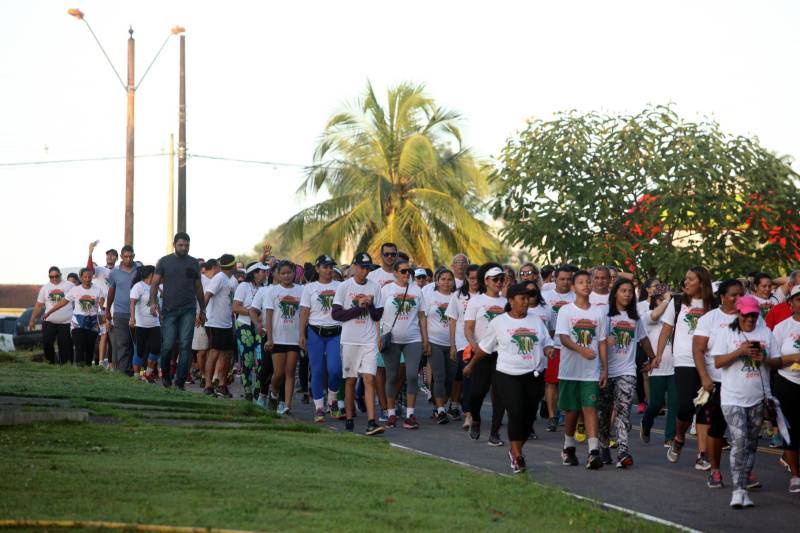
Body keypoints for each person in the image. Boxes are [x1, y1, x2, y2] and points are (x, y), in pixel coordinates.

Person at [467, 283, 554, 474]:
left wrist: (548, 349)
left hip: (534, 374)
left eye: (528, 298)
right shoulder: (499, 322)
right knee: (515, 412)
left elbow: (547, 341)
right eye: (522, 298)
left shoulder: (536, 320)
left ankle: (515, 449)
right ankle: (517, 456)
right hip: (508, 374)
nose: (526, 302)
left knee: (529, 417)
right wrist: (471, 365)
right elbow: (485, 347)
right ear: (511, 301)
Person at [711, 295, 781, 508]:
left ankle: (743, 485)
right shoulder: (726, 333)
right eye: (746, 315)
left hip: (758, 397)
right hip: (732, 398)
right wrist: (740, 351)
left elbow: (777, 362)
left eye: (753, 315)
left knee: (751, 445)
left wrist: (764, 359)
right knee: (739, 442)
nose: (750, 319)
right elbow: (718, 362)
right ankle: (738, 490)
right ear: (738, 313)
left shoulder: (766, 333)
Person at [657, 266, 717, 469]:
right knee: (686, 406)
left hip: (709, 361)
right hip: (684, 360)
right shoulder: (677, 302)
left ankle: (702, 454)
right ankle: (679, 437)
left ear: (702, 282)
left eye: (691, 279)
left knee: (704, 407)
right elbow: (666, 330)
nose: (686, 282)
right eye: (686, 278)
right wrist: (657, 355)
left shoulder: (713, 304)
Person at [693, 279, 747, 488]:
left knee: (744, 431)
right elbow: (698, 350)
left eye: (741, 294)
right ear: (722, 296)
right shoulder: (710, 319)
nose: (737, 298)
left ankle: (745, 470)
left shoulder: (750, 318)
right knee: (717, 428)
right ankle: (715, 470)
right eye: (733, 294)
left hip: (744, 382)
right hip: (718, 381)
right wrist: (705, 377)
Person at [556, 269, 608, 470]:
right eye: (581, 282)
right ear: (573, 287)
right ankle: (568, 447)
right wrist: (581, 350)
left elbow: (602, 341)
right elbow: (563, 337)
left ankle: (593, 451)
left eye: (588, 281)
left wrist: (604, 368)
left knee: (590, 407)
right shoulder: (566, 311)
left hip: (591, 370)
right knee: (572, 410)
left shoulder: (599, 312)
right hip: (570, 369)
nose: (586, 285)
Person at [600, 279, 654, 468]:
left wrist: (653, 357)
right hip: (606, 370)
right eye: (623, 291)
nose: (627, 294)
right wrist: (605, 341)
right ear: (615, 293)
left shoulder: (634, 318)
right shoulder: (605, 315)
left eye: (630, 291)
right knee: (606, 412)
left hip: (627, 370)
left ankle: (623, 452)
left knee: (623, 410)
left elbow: (643, 339)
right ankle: (603, 446)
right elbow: (597, 341)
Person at [331, 252, 385, 435]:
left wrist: (369, 305)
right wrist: (358, 307)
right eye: (362, 268)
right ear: (354, 266)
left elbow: (378, 315)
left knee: (369, 378)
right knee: (351, 380)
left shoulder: (375, 287)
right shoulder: (344, 287)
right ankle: (348, 417)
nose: (364, 272)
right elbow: (337, 315)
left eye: (368, 268)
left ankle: (371, 421)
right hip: (350, 340)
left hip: (368, 339)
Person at [150, 232, 206, 390]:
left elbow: (198, 287)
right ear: (174, 245)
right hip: (169, 310)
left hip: (188, 309)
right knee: (168, 345)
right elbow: (154, 284)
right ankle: (166, 374)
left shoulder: (194, 262)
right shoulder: (164, 261)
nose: (184, 248)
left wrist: (203, 309)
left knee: (186, 345)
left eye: (187, 245)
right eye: (181, 245)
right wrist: (153, 303)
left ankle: (180, 382)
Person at [380, 258, 429, 429]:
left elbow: (422, 317)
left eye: (409, 271)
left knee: (412, 375)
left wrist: (425, 339)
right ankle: (391, 413)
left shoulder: (417, 290)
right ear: (395, 273)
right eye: (403, 271)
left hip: (413, 339)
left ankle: (410, 414)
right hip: (391, 339)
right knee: (392, 376)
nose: (407, 274)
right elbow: (378, 314)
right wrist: (378, 337)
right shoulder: (386, 290)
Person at [464, 264, 508, 445]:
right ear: (486, 281)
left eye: (501, 279)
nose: (499, 282)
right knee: (477, 393)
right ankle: (475, 419)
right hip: (481, 353)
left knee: (500, 394)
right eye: (496, 279)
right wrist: (474, 346)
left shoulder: (506, 302)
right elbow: (468, 328)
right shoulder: (476, 301)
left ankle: (495, 433)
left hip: (501, 354)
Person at [299, 254, 344, 422]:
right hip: (315, 331)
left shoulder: (341, 286)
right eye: (325, 267)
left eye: (331, 267)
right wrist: (301, 335)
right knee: (316, 370)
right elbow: (304, 312)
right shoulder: (309, 288)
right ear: (317, 269)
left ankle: (332, 400)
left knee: (335, 369)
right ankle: (318, 407)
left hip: (336, 332)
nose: (329, 270)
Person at [259, 260, 304, 414]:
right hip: (277, 338)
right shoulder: (272, 291)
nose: (286, 276)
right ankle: (274, 392)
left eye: (289, 272)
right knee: (278, 373)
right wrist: (269, 338)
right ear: (277, 274)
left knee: (290, 372)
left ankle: (286, 405)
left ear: (294, 273)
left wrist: (303, 336)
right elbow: (269, 316)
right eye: (283, 273)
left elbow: (304, 314)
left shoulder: (301, 290)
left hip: (294, 338)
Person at [639, 280, 678, 448]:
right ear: (656, 301)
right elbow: (655, 315)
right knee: (656, 403)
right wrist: (667, 300)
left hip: (675, 366)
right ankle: (646, 423)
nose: (667, 302)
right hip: (657, 366)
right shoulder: (648, 317)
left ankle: (670, 437)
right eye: (662, 298)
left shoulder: (674, 319)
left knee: (675, 402)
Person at [770, 285, 800, 493]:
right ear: (790, 303)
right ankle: (795, 476)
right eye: (798, 299)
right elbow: (771, 360)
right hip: (787, 382)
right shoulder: (781, 328)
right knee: (791, 432)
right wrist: (791, 358)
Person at [44, 268, 105, 366]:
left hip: (92, 322)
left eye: (89, 277)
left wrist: (103, 309)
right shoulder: (75, 290)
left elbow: (102, 303)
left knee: (90, 347)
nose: (87, 279)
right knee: (79, 346)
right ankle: (80, 368)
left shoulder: (97, 290)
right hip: (78, 322)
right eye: (85, 277)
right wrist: (49, 312)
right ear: (81, 278)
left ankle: (88, 368)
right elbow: (63, 302)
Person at [542, 265, 576, 431]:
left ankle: (566, 413)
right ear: (554, 278)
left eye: (569, 279)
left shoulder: (576, 296)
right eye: (562, 279)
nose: (565, 282)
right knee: (551, 382)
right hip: (553, 344)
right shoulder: (545, 296)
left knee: (567, 382)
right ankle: (551, 415)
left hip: (571, 346)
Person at [447, 264, 480, 426]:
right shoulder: (458, 295)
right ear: (466, 278)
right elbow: (453, 320)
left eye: (477, 278)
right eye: (472, 278)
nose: (475, 281)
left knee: (479, 380)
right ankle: (468, 413)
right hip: (463, 343)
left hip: (483, 343)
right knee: (468, 375)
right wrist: (452, 345)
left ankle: (475, 411)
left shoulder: (486, 296)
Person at [424, 268, 458, 424]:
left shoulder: (457, 297)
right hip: (434, 342)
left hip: (453, 344)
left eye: (449, 279)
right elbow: (422, 319)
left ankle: (440, 406)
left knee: (450, 379)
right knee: (439, 376)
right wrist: (425, 341)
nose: (446, 282)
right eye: (443, 279)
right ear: (437, 281)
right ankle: (441, 410)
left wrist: (455, 345)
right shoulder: (430, 296)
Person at [233, 262, 269, 401]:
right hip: (245, 326)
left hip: (261, 327)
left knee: (262, 360)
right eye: (262, 272)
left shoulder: (266, 289)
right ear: (254, 273)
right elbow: (235, 308)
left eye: (266, 272)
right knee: (247, 360)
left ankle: (258, 389)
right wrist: (253, 312)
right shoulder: (243, 286)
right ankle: (248, 389)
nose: (266, 274)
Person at [203, 255, 238, 398]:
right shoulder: (219, 278)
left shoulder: (228, 280)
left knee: (227, 354)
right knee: (214, 353)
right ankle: (208, 385)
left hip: (226, 323)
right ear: (234, 265)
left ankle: (222, 385)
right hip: (215, 322)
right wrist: (202, 313)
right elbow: (207, 295)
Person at [29, 267, 74, 364]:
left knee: (64, 345)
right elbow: (39, 305)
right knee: (47, 343)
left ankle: (66, 366)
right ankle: (51, 363)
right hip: (49, 321)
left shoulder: (70, 285)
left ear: (60, 275)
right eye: (51, 277)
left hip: (66, 322)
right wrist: (32, 320)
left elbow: (78, 298)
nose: (54, 279)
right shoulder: (45, 288)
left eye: (56, 276)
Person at [105, 245, 138, 374]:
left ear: (134, 256)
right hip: (120, 313)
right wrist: (107, 309)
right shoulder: (115, 272)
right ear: (121, 257)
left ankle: (138, 373)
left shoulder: (139, 270)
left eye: (130, 256)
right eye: (126, 257)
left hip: (137, 313)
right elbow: (111, 292)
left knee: (136, 345)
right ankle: (124, 373)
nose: (128, 259)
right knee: (122, 344)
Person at [129, 265, 160, 381]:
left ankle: (147, 373)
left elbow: (158, 302)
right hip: (140, 324)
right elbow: (132, 303)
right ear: (151, 274)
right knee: (140, 351)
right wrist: (132, 318)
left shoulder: (156, 287)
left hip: (154, 323)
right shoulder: (139, 286)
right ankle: (138, 375)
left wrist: (159, 314)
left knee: (156, 349)